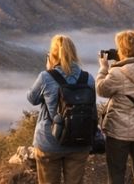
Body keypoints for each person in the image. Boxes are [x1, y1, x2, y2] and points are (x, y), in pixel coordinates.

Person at [26, 34, 94, 184]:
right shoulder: (88, 78)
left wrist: (49, 69)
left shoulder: (45, 77)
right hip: (80, 141)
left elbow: (32, 99)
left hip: (50, 142)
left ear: (52, 55)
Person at [96, 30, 134, 184]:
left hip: (119, 132)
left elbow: (101, 89)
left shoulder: (117, 73)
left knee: (116, 173)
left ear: (123, 50)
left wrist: (104, 68)